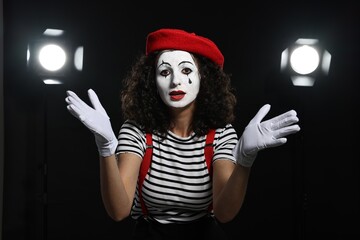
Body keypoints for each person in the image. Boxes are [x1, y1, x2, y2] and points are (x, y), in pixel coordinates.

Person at [65, 28, 300, 240]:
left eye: (186, 69)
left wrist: (245, 161)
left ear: (203, 78)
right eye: (164, 72)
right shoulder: (137, 130)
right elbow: (119, 211)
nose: (175, 80)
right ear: (152, 82)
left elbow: (225, 213)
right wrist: (105, 148)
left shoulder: (220, 134)